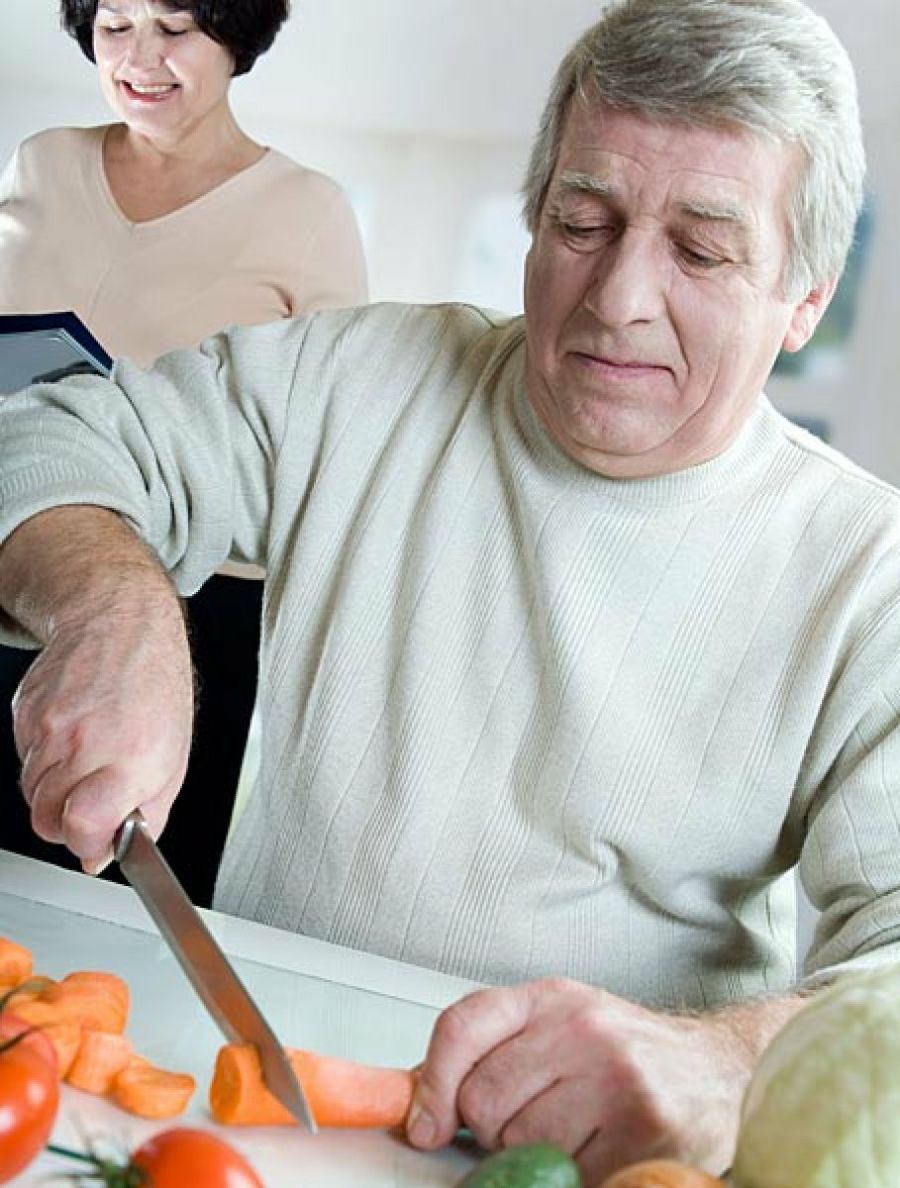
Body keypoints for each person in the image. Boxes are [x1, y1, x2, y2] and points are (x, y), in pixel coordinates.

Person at [1, 0, 898, 1180]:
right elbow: (50, 432)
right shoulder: (355, 376)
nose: (619, 296)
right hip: (257, 1095)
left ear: (805, 298)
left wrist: (729, 1061)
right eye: (584, 220)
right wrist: (115, 606)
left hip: (596, 1158)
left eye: (701, 248)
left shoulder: (865, 570)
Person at [0, 0, 368, 904]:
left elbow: (327, 449)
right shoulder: (43, 162)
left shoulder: (307, 213)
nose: (138, 59)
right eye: (115, 25)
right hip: (22, 550)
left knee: (104, 884)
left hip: (195, 611)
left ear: (234, 34)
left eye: (174, 28)